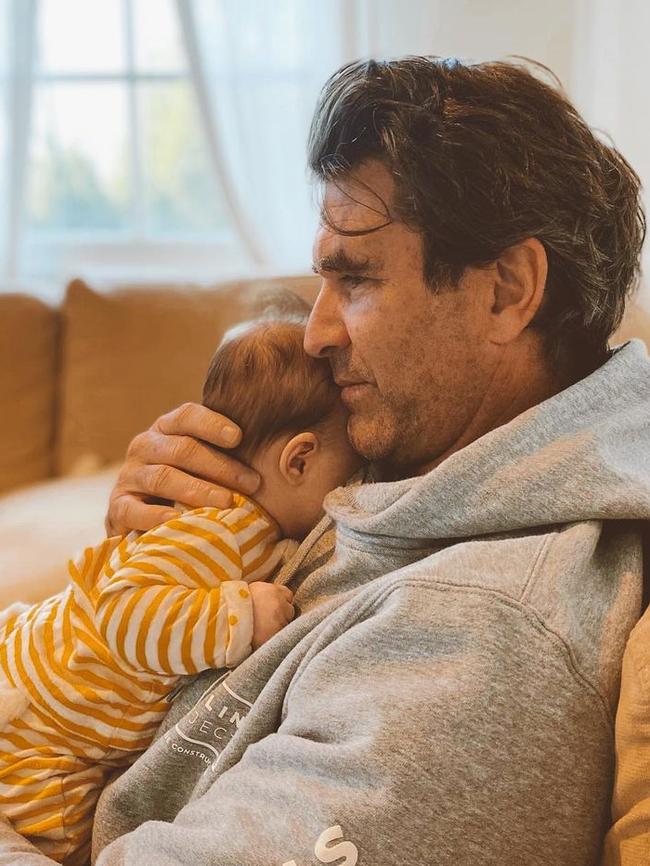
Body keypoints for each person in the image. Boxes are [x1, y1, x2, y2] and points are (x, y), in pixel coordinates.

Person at [1, 56, 648, 866]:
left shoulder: (473, 639)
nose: (316, 333)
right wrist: (163, 538)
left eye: (356, 277)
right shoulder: (424, 454)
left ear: (507, 289)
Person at [0, 318, 362, 866]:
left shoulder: (242, 528)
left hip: (55, 703)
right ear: (299, 460)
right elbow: (123, 613)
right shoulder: (223, 527)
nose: (355, 488)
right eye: (351, 473)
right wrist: (240, 615)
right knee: (58, 840)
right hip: (46, 733)